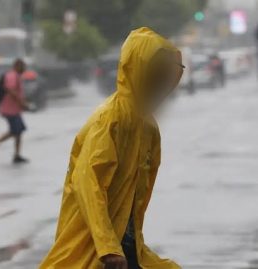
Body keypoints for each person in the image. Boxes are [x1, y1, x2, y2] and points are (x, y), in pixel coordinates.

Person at [39, 27, 184, 269]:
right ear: (137, 70)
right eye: (155, 73)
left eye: (164, 74)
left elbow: (135, 195)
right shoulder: (110, 119)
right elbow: (88, 182)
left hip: (124, 244)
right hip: (93, 247)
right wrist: (107, 247)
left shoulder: (147, 127)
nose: (160, 82)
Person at [0, 59, 30, 164]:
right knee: (15, 131)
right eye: (23, 67)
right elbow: (11, 90)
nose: (24, 69)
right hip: (9, 109)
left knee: (18, 131)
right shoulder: (12, 76)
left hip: (13, 109)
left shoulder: (15, 76)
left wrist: (21, 104)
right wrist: (22, 103)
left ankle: (16, 155)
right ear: (17, 66)